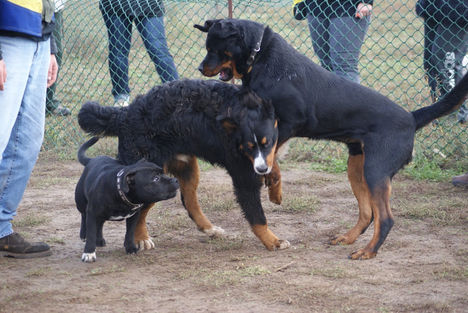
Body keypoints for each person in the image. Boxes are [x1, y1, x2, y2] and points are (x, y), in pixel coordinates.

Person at [0, 0, 58, 258]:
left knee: (27, 141)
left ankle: (1, 228)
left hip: (39, 37)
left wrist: (51, 46)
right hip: (8, 37)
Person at [99, 0, 179, 106]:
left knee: (158, 51)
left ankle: (178, 95)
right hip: (115, 5)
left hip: (149, 4)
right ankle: (121, 98)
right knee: (118, 51)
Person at [294, 0, 373, 84]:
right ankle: (329, 97)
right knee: (326, 65)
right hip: (315, 7)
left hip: (348, 6)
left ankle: (346, 97)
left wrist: (367, 2)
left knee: (344, 67)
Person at [416, 0, 468, 123]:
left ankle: (453, 112)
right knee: (431, 61)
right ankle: (439, 108)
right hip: (433, 5)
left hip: (457, 7)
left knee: (446, 59)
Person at [46, 0, 71, 116]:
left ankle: (48, 99)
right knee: (54, 51)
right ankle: (48, 102)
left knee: (56, 53)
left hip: (56, 6)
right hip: (44, 6)